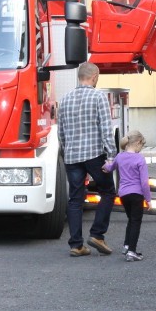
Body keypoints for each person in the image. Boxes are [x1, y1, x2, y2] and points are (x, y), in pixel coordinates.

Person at [57, 62, 117, 257]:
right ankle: (97, 234)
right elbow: (106, 130)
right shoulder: (99, 96)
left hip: (73, 156)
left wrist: (67, 153)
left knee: (75, 199)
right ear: (94, 77)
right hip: (94, 155)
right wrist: (111, 156)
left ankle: (76, 245)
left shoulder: (65, 99)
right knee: (107, 191)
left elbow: (61, 133)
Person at [103, 130, 150, 262]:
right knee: (136, 221)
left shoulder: (120, 156)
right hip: (136, 194)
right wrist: (148, 199)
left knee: (131, 219)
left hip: (123, 194)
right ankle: (132, 251)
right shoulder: (139, 158)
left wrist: (104, 166)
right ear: (138, 143)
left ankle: (127, 245)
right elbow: (144, 182)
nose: (141, 149)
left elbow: (110, 167)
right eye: (142, 146)